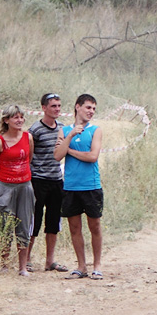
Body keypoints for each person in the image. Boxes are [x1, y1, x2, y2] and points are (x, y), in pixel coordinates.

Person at [54, 93, 104, 280]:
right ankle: (81, 266)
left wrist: (70, 151)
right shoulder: (64, 130)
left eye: (93, 109)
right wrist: (70, 136)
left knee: (95, 226)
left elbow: (92, 157)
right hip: (71, 186)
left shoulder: (95, 130)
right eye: (88, 107)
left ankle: (97, 265)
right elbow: (57, 155)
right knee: (75, 228)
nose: (91, 112)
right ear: (77, 107)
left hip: (91, 185)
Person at [0, 105, 35, 276]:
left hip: (25, 187)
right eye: (15, 117)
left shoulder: (28, 137)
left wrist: (21, 176)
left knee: (24, 224)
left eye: (21, 117)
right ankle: (4, 264)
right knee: (5, 225)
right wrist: (6, 176)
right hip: (5, 188)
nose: (19, 120)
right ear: (6, 120)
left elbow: (29, 159)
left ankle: (22, 267)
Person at [23, 93, 68, 273]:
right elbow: (28, 156)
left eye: (58, 105)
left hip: (56, 179)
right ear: (43, 108)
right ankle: (26, 259)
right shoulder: (34, 130)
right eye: (53, 106)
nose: (57, 109)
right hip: (37, 180)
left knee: (53, 221)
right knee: (34, 221)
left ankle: (50, 261)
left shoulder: (63, 129)